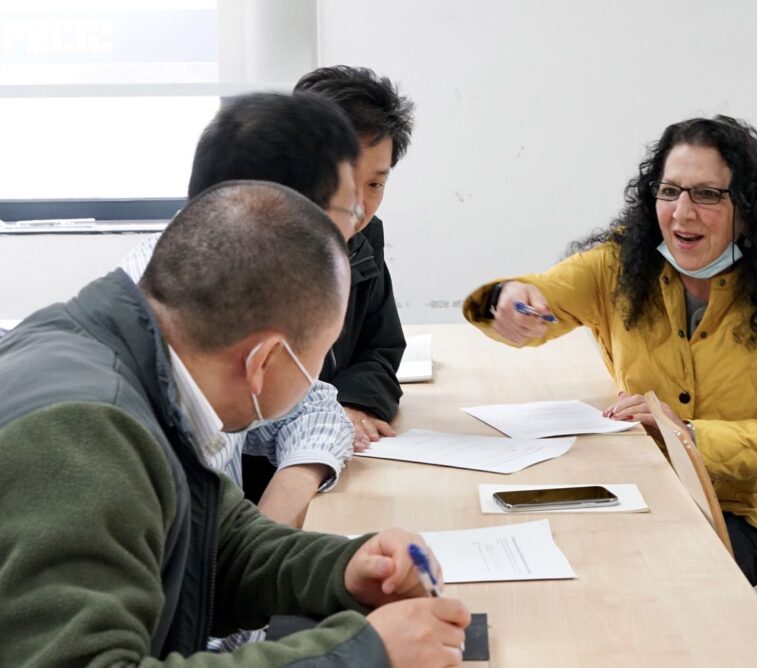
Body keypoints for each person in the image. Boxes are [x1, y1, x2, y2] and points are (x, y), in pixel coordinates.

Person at [0, 181, 470, 666]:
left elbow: (217, 544)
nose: (316, 382)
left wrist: (344, 569)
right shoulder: (84, 437)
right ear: (263, 362)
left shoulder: (132, 363)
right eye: (317, 360)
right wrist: (361, 653)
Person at [463, 116, 757, 642]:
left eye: (707, 194)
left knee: (642, 590)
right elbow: (536, 297)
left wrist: (687, 435)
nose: (682, 212)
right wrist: (506, 299)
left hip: (746, 510)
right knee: (561, 568)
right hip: (638, 490)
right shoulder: (619, 266)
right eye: (669, 191)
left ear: (747, 205)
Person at [121, 92, 366, 530]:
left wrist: (271, 527)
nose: (359, 220)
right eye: (348, 207)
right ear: (270, 212)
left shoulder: (231, 282)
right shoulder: (125, 411)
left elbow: (313, 407)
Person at [244, 65, 416, 503]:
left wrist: (349, 406)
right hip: (256, 482)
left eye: (375, 184)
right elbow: (244, 410)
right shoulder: (243, 250)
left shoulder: (363, 240)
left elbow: (381, 349)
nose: (358, 206)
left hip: (328, 457)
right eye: (344, 181)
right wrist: (324, 424)